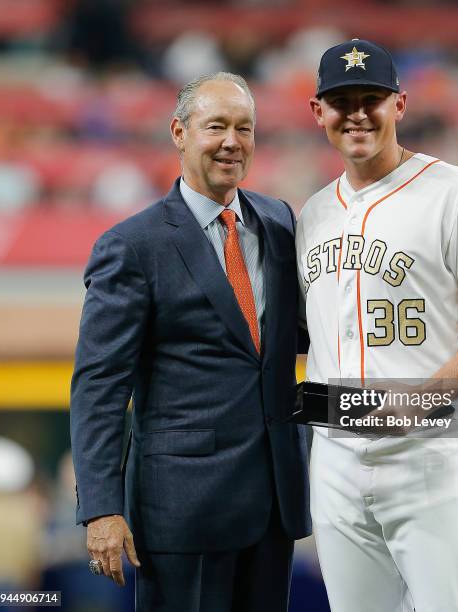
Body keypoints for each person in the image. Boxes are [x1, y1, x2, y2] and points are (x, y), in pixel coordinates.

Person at [295, 39, 458, 612]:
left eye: (371, 98)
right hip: (335, 457)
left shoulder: (454, 194)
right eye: (341, 99)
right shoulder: (311, 214)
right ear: (317, 111)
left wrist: (426, 398)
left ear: (399, 104)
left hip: (433, 453)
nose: (356, 112)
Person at [70, 71, 311, 612]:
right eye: (216, 126)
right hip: (181, 512)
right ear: (179, 133)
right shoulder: (132, 246)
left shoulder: (278, 221)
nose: (232, 142)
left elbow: (293, 338)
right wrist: (102, 509)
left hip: (275, 505)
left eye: (244, 128)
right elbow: (99, 386)